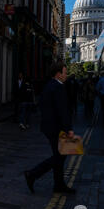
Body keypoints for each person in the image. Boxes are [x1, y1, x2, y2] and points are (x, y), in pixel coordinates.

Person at [24, 62, 75, 194]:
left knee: (60, 156)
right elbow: (62, 110)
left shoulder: (49, 85)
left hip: (49, 127)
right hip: (56, 128)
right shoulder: (58, 87)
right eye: (65, 72)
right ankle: (32, 174)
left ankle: (58, 185)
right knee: (60, 157)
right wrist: (68, 129)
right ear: (58, 74)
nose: (66, 74)